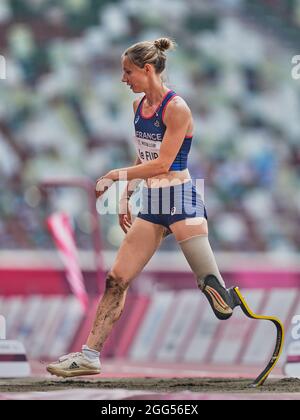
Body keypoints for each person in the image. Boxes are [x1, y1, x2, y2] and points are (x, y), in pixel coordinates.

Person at [46, 37, 240, 378]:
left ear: (147, 69)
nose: (124, 79)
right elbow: (145, 156)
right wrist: (127, 192)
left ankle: (235, 301)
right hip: (153, 203)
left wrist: (117, 176)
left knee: (217, 297)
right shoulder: (138, 107)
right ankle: (89, 356)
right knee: (115, 279)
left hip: (180, 198)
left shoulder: (176, 108)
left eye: (128, 72)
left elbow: (164, 163)